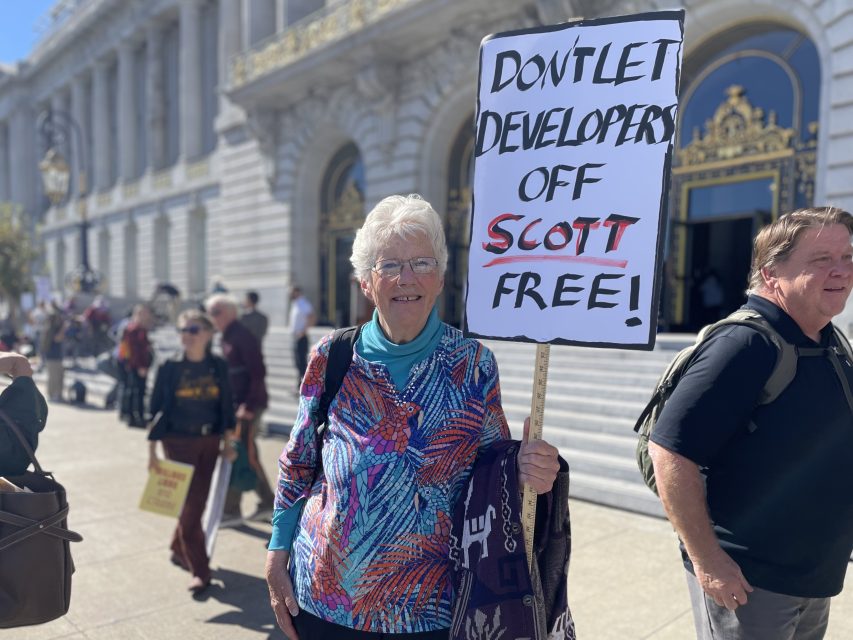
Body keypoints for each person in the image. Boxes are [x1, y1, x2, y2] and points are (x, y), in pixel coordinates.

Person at [264, 194, 561, 638]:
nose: (407, 278)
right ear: (366, 282)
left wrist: (526, 470)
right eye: (389, 265)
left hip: (432, 607)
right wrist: (276, 552)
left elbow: (493, 472)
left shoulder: (472, 363)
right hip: (328, 600)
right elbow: (298, 462)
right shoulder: (332, 356)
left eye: (423, 263)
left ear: (441, 278)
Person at [649, 206, 853, 640]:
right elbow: (669, 450)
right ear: (772, 274)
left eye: (848, 257)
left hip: (814, 575)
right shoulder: (745, 345)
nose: (842, 271)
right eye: (821, 260)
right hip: (750, 583)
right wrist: (708, 561)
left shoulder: (831, 341)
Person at [147, 310, 236, 594]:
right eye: (183, 330)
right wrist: (152, 454)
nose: (187, 335)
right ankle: (201, 570)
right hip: (176, 442)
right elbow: (155, 410)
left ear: (208, 334)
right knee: (191, 505)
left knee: (196, 500)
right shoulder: (169, 366)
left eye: (193, 329)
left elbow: (227, 406)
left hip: (209, 441)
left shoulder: (217, 366)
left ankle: (178, 547)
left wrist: (228, 443)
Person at [205, 294, 275, 522]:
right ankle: (263, 503)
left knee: (241, 451)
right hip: (238, 405)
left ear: (231, 312)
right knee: (243, 451)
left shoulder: (242, 336)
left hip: (249, 405)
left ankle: (235, 508)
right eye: (211, 313)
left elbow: (258, 372)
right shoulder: (227, 336)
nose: (212, 317)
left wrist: (248, 405)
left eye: (217, 312)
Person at [118, 305, 153, 428]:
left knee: (135, 391)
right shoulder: (134, 329)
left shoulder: (140, 328)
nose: (146, 316)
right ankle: (135, 417)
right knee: (136, 392)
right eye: (143, 314)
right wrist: (141, 366)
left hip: (136, 365)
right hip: (136, 366)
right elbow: (135, 351)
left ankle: (132, 415)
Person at [288, 286, 315, 391]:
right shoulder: (295, 304)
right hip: (295, 337)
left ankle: (305, 386)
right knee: (297, 362)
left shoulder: (303, 303)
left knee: (301, 363)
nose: (290, 294)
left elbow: (312, 317)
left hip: (301, 337)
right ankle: (300, 384)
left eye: (292, 292)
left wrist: (303, 332)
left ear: (297, 292)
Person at [41, 301, 67, 402]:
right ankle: (53, 395)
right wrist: (64, 328)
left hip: (57, 355)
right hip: (52, 355)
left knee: (59, 375)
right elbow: (57, 338)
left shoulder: (54, 325)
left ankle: (58, 395)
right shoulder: (52, 327)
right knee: (54, 376)